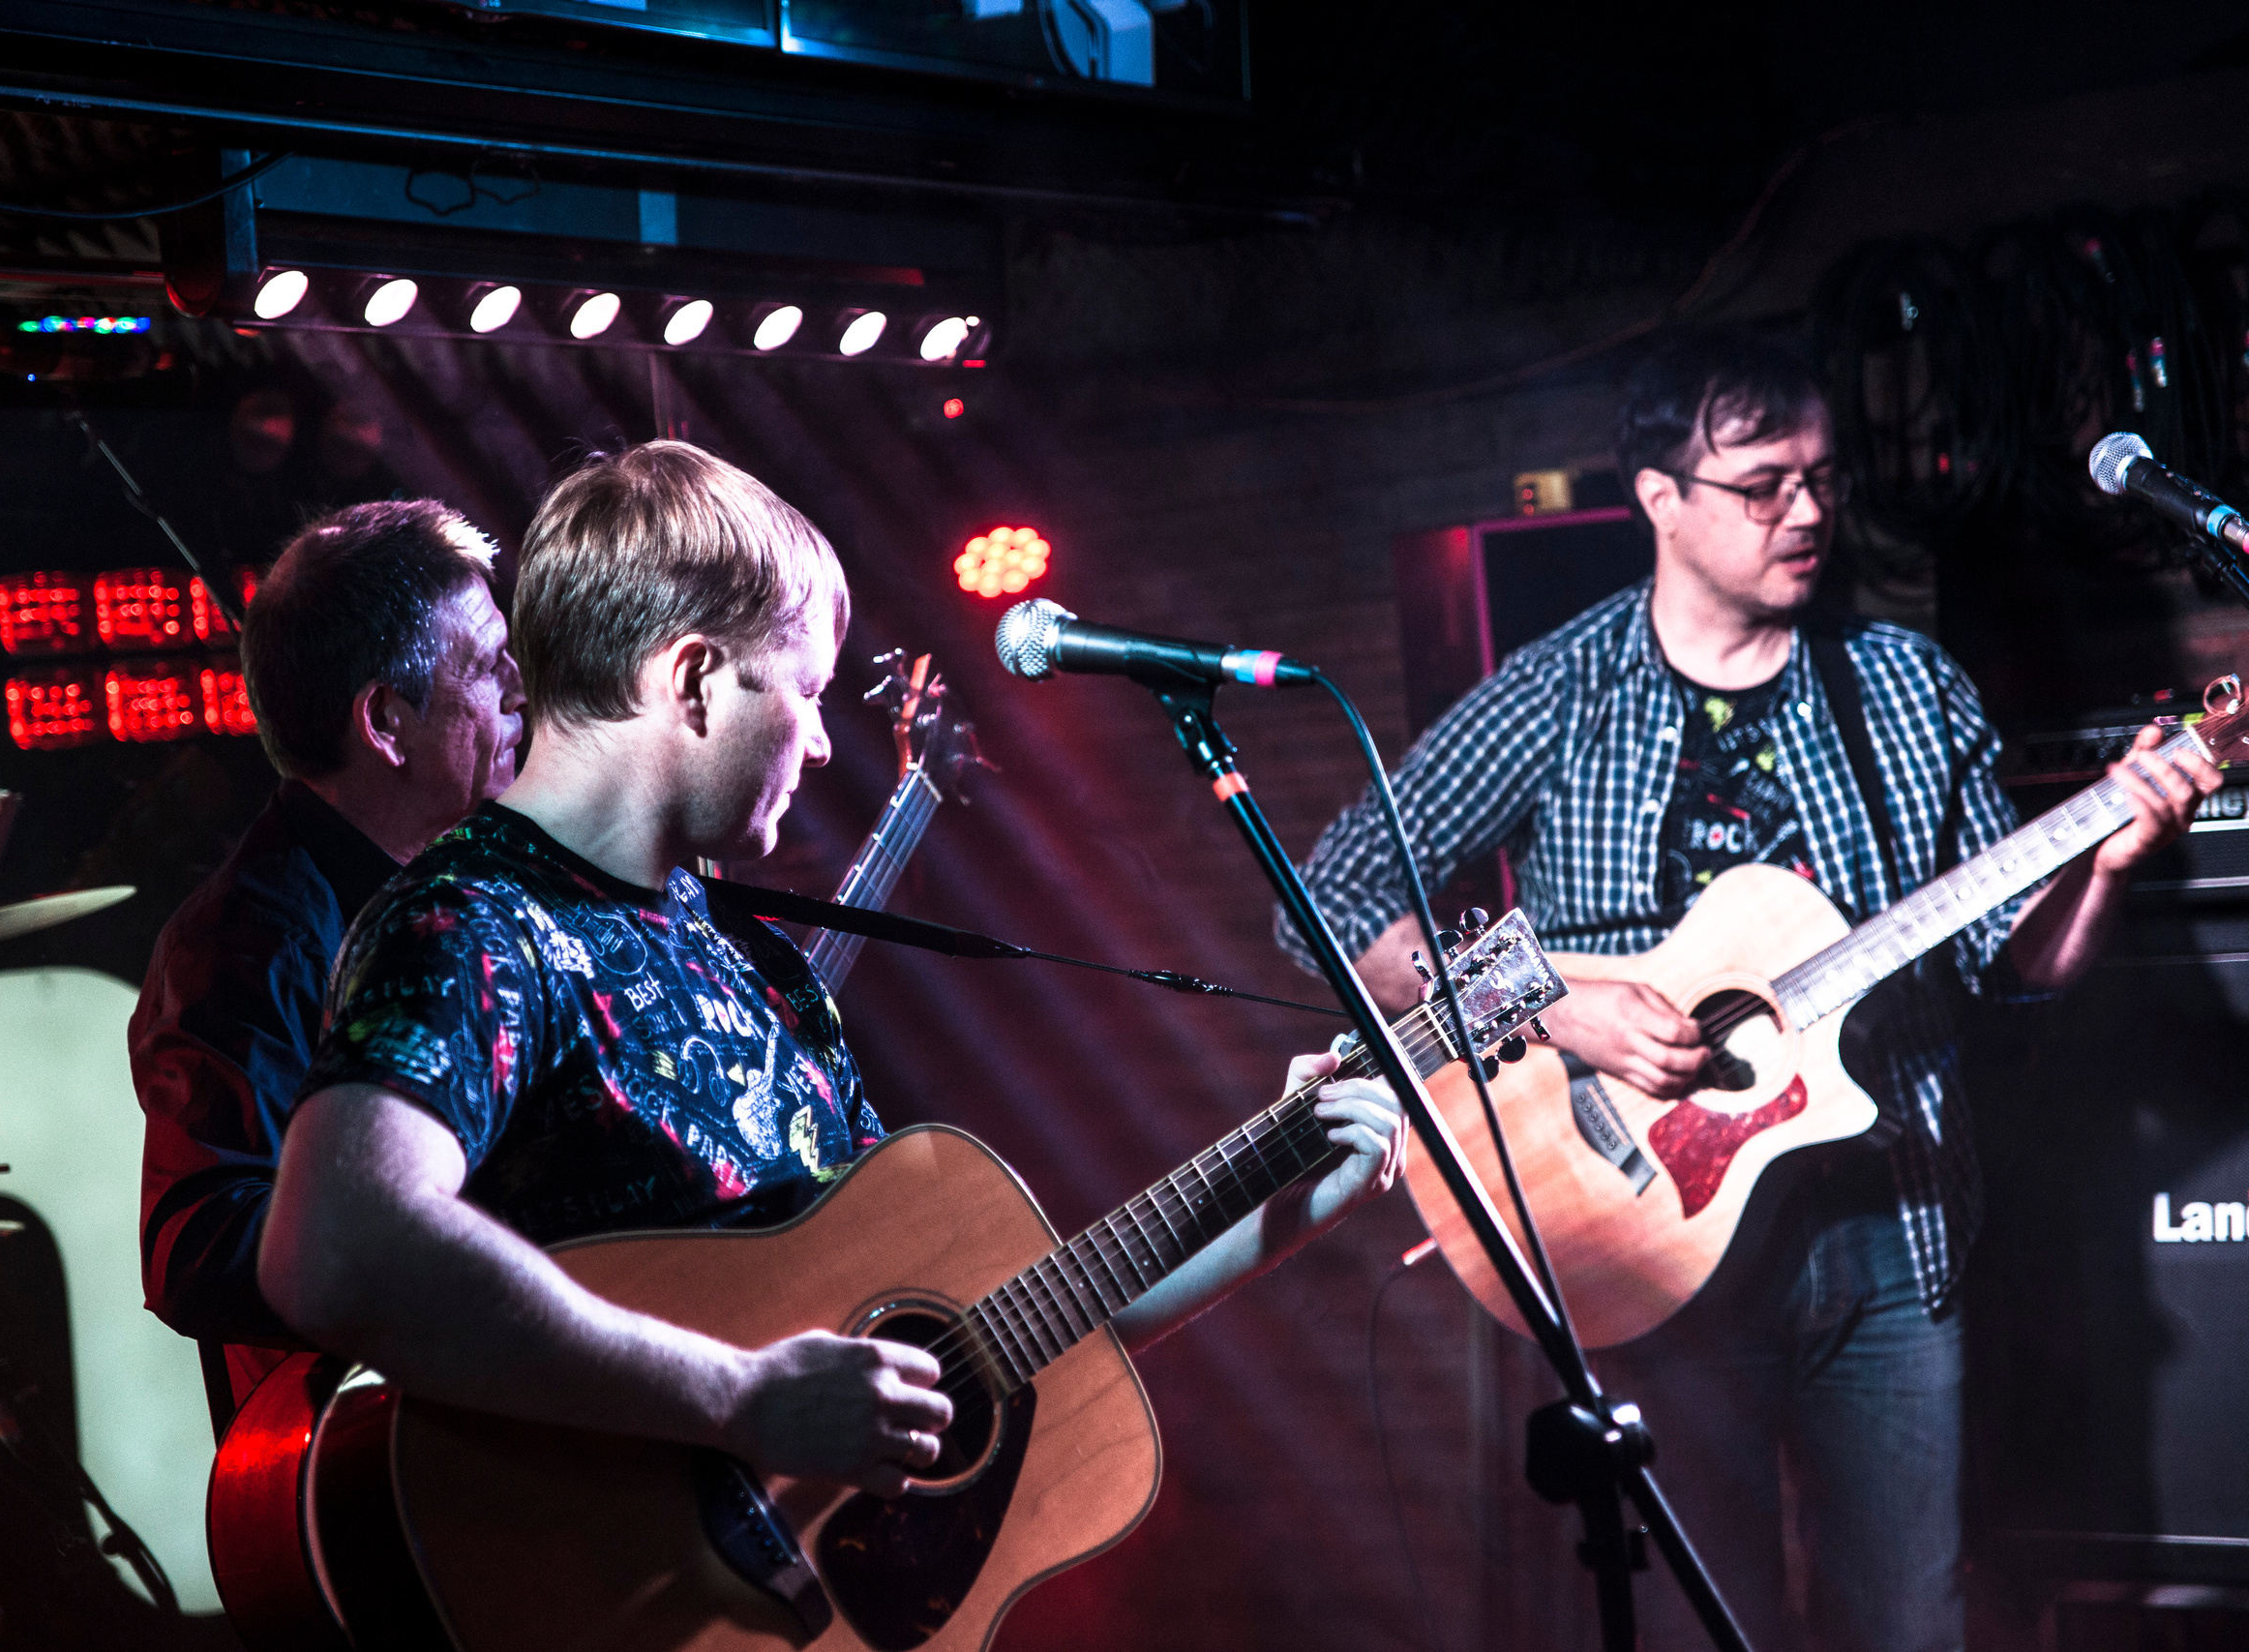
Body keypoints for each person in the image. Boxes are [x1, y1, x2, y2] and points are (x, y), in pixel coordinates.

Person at [1281, 331, 2216, 1651]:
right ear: (1659, 496)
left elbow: (2008, 980)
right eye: (1764, 483)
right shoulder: (1562, 689)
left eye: (1825, 479)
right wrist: (1549, 1006)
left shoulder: (1902, 686)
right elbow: (1331, 889)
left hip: (1891, 1231)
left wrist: (2105, 858)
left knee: (1911, 1620)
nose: (1808, 512)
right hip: (1640, 1231)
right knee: (1699, 1629)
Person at [255, 440, 1407, 1504]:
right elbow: (336, 1247)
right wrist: (739, 1400)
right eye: (803, 691)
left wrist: (1287, 1200)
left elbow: (963, 1354)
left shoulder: (757, 968)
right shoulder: (478, 923)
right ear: (695, 680)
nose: (816, 741)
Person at [133, 500, 525, 1437]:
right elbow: (198, 1244)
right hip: (376, 1472)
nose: (521, 686)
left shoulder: (484, 886)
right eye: (486, 664)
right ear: (387, 721)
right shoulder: (244, 942)